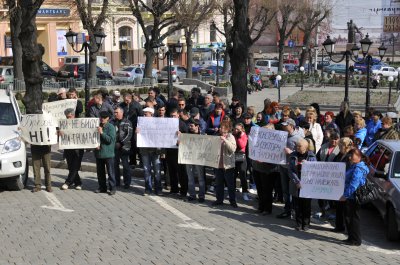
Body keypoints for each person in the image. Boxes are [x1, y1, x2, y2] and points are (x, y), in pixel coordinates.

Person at [339, 148, 369, 246]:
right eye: (350, 155)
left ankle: (356, 240)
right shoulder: (354, 166)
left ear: (359, 157)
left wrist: (345, 195)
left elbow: (354, 184)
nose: (350, 157)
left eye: (352, 155)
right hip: (350, 196)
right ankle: (351, 237)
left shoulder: (358, 168)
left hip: (353, 197)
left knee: (353, 218)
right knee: (349, 217)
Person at [277, 118, 303, 219]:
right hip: (283, 166)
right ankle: (287, 210)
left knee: (292, 190)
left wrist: (291, 152)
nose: (283, 127)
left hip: (292, 169)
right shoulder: (282, 136)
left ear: (291, 126)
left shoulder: (298, 138)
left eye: (285, 125)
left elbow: (302, 153)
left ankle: (294, 210)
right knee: (285, 190)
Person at [288, 139, 317, 231]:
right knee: (297, 205)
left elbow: (316, 169)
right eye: (297, 146)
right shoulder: (293, 156)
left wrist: (308, 164)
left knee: (306, 205)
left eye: (299, 146)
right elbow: (291, 170)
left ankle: (306, 224)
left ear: (306, 147)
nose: (297, 148)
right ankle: (299, 223)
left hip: (307, 184)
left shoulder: (311, 156)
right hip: (297, 184)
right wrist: (297, 181)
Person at [253, 123, 280, 215]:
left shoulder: (276, 142)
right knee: (260, 189)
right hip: (257, 168)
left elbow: (276, 157)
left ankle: (267, 209)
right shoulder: (258, 140)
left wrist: (265, 160)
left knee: (267, 190)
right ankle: (261, 207)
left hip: (269, 170)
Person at [212, 120, 238, 208]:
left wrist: (225, 140)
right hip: (218, 165)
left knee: (230, 184)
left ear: (226, 128)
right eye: (220, 127)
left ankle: (232, 200)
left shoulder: (231, 137)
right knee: (219, 184)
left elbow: (233, 149)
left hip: (228, 166)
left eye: (222, 127)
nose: (220, 128)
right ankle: (219, 200)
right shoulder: (217, 136)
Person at [137, 107, 162, 195]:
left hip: (155, 151)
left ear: (151, 114)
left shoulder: (157, 124)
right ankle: (148, 188)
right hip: (144, 151)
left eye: (146, 114)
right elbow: (138, 139)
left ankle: (158, 189)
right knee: (146, 170)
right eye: (143, 114)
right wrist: (137, 133)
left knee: (157, 170)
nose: (144, 115)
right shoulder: (140, 124)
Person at [332, 137, 354, 233]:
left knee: (346, 210)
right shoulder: (339, 155)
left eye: (341, 145)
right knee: (339, 208)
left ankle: (348, 230)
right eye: (339, 145)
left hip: (345, 186)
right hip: (338, 185)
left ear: (346, 146)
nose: (339, 147)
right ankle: (339, 226)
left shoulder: (350, 156)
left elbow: (349, 171)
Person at [60, 108, 84, 190]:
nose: (68, 119)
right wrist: (60, 133)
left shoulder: (80, 123)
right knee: (71, 167)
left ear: (73, 115)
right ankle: (78, 182)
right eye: (67, 117)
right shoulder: (64, 124)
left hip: (78, 149)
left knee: (75, 166)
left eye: (69, 117)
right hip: (68, 148)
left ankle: (68, 182)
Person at [95, 110, 117, 195]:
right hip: (99, 153)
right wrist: (94, 145)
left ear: (107, 118)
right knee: (100, 172)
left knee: (111, 172)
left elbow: (110, 140)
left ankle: (112, 188)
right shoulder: (98, 126)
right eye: (101, 117)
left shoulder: (110, 127)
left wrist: (102, 133)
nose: (102, 119)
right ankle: (102, 187)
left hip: (108, 154)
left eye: (104, 118)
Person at [185, 118, 206, 202]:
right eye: (189, 125)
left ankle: (201, 196)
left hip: (199, 159)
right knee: (190, 178)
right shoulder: (186, 135)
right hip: (189, 158)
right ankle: (192, 195)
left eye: (191, 126)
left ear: (197, 126)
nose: (190, 127)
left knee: (201, 178)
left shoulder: (203, 135)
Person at [113, 107, 133, 189]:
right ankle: (117, 182)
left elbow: (129, 135)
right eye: (114, 112)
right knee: (115, 165)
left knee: (125, 166)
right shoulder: (112, 122)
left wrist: (121, 143)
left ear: (121, 113)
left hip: (125, 148)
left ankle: (127, 183)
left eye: (116, 112)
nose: (115, 114)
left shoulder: (127, 122)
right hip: (114, 148)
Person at [233, 123, 250, 201]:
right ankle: (232, 194)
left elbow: (242, 145)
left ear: (242, 129)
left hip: (241, 157)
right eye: (235, 129)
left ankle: (245, 193)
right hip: (233, 156)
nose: (236, 130)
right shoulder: (233, 135)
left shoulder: (244, 136)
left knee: (243, 176)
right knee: (233, 175)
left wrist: (239, 137)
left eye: (238, 129)